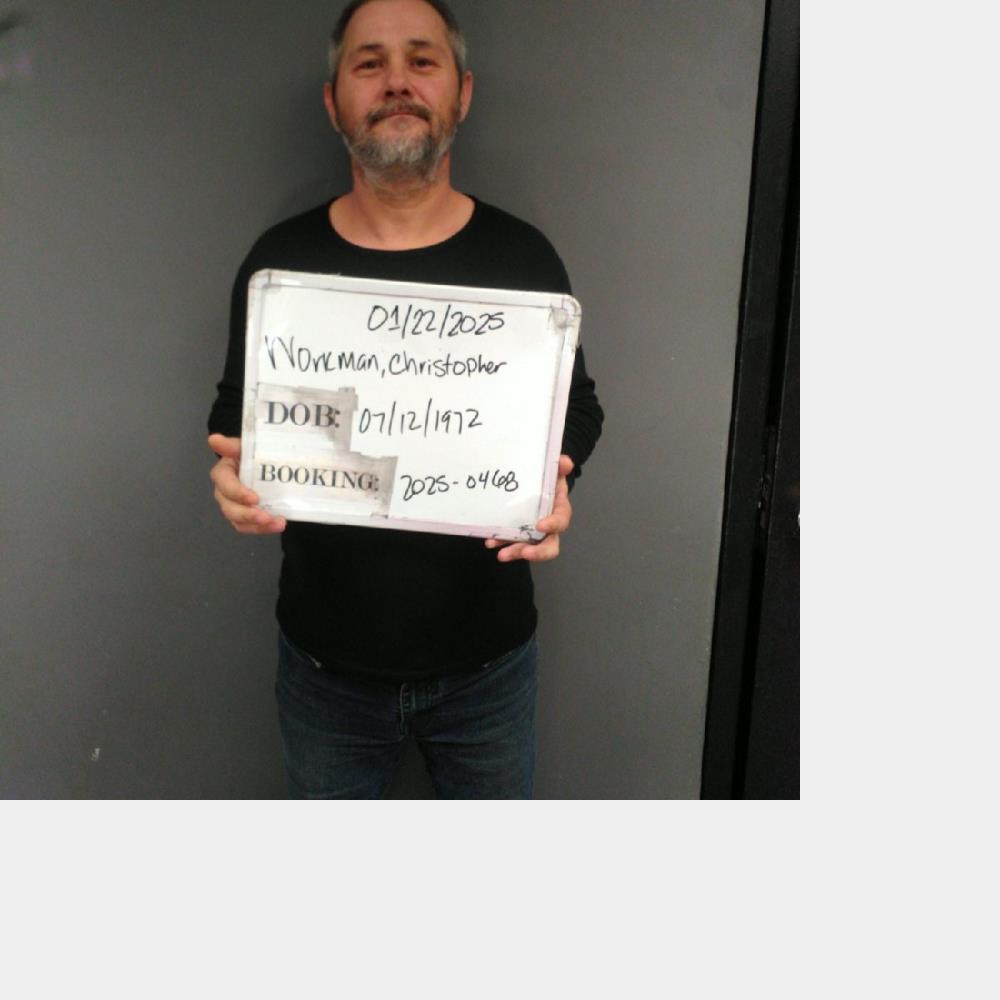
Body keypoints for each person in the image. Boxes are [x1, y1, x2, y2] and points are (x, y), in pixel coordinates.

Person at [206, 0, 603, 799]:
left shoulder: (522, 259)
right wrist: (234, 478)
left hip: (490, 665)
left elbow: (578, 409)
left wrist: (556, 482)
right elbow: (234, 415)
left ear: (463, 93)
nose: (396, 82)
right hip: (325, 668)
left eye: (422, 61)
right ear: (334, 102)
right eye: (369, 63)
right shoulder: (282, 264)